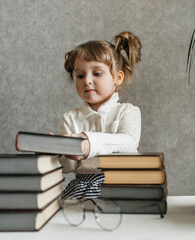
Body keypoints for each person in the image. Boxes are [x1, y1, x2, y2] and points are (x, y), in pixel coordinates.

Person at [59, 32, 142, 199]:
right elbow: (67, 167)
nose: (87, 80)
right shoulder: (70, 118)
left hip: (120, 183)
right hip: (81, 186)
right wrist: (57, 150)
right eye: (80, 75)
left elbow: (129, 143)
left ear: (117, 78)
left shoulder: (128, 111)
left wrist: (89, 143)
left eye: (97, 73)